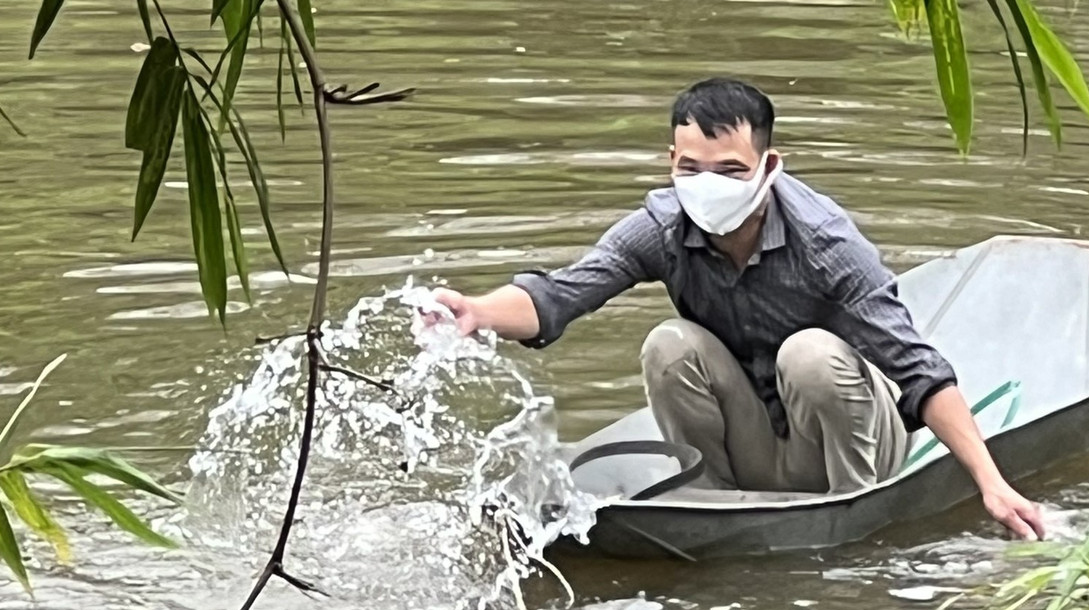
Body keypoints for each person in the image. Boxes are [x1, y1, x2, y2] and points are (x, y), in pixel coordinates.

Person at [430, 78, 1045, 539]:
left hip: (848, 446)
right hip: (756, 443)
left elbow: (919, 371)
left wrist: (991, 485)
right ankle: (711, 502)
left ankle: (853, 511)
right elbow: (560, 294)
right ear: (672, 163)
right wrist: (477, 312)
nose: (707, 184)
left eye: (730, 170)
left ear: (767, 168)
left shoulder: (826, 245)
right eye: (691, 168)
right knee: (668, 343)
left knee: (807, 352)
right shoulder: (663, 226)